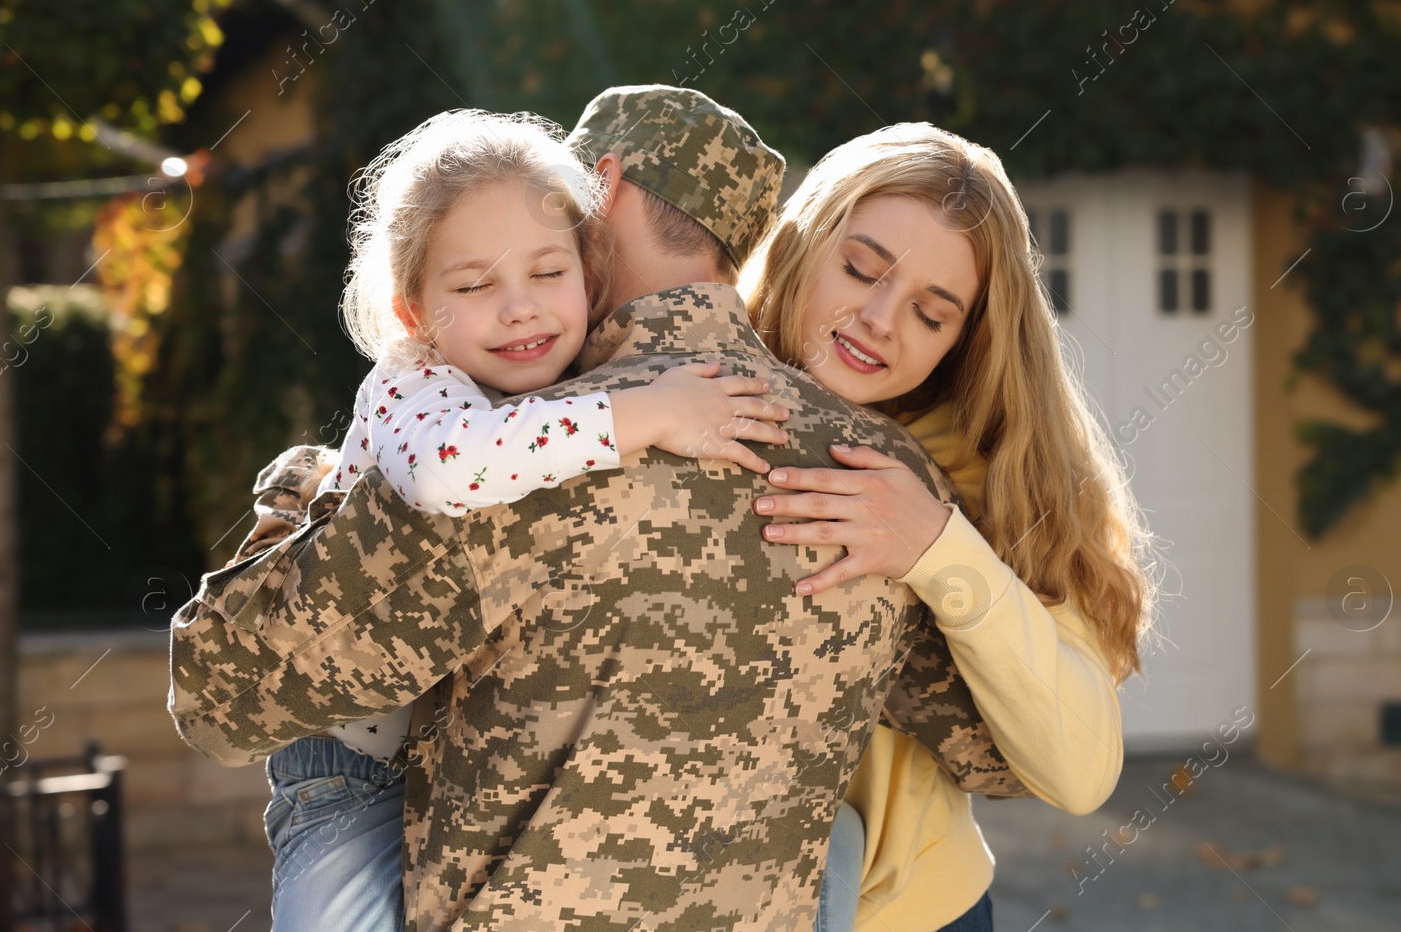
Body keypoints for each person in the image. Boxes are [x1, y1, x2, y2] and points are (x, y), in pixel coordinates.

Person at [168, 85, 1028, 932]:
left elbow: (221, 694)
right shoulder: (883, 484)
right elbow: (996, 751)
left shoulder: (526, 455)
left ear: (600, 187)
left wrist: (299, 501)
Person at [249, 109, 791, 931]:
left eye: (549, 272)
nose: (520, 310)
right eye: (473, 286)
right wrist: (649, 412)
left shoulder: (551, 378)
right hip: (349, 760)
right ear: (413, 313)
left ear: (590, 269)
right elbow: (449, 467)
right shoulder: (411, 384)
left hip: (452, 756)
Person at [744, 123, 1155, 931]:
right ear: (801, 242)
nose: (879, 319)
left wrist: (936, 547)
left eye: (931, 315)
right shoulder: (683, 383)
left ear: (965, 339)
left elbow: (1083, 770)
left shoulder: (986, 472)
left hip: (908, 911)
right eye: (861, 269)